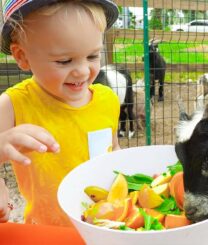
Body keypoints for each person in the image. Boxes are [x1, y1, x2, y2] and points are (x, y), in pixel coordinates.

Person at [0, 0, 121, 227]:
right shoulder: (13, 105)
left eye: (93, 56)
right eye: (64, 61)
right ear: (22, 56)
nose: (84, 71)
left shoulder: (107, 100)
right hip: (46, 232)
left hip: (104, 226)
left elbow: (113, 149)